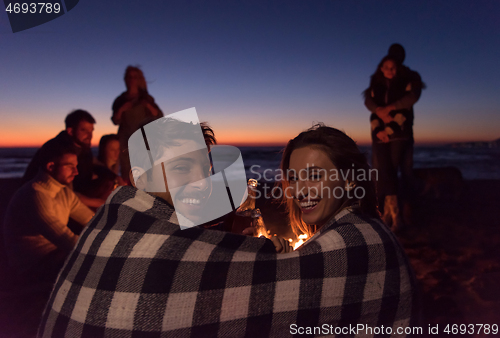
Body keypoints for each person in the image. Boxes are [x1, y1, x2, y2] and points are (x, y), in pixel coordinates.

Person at [39, 122, 419, 337]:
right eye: (185, 168)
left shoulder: (113, 221)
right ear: (140, 175)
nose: (202, 184)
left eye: (206, 170)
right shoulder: (138, 237)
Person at [4, 142, 94, 283]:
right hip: (32, 266)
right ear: (51, 166)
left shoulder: (64, 192)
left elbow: (93, 220)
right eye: (70, 167)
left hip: (57, 254)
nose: (76, 172)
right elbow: (69, 242)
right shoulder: (34, 196)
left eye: (76, 166)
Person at [364, 45, 424, 231]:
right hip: (380, 133)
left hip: (401, 132)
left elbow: (410, 100)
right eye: (388, 64)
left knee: (402, 170)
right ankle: (384, 212)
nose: (391, 67)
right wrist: (378, 114)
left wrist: (389, 111)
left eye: (395, 63)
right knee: (382, 171)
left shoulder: (407, 77)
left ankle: (405, 212)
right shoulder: (378, 82)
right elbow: (370, 102)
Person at [23, 110, 107, 208]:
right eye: (84, 130)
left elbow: (94, 163)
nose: (90, 135)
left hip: (74, 191)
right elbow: (65, 192)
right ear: (70, 131)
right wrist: (100, 203)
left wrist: (114, 177)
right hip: (42, 199)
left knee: (109, 184)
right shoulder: (59, 150)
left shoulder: (82, 146)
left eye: (91, 131)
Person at [112, 66, 163, 184]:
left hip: (143, 139)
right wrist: (121, 110)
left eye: (135, 77)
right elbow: (115, 120)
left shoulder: (146, 98)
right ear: (125, 79)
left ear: (139, 79)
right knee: (127, 170)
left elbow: (159, 116)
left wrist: (148, 105)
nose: (132, 79)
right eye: (129, 77)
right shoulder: (120, 99)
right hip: (125, 139)